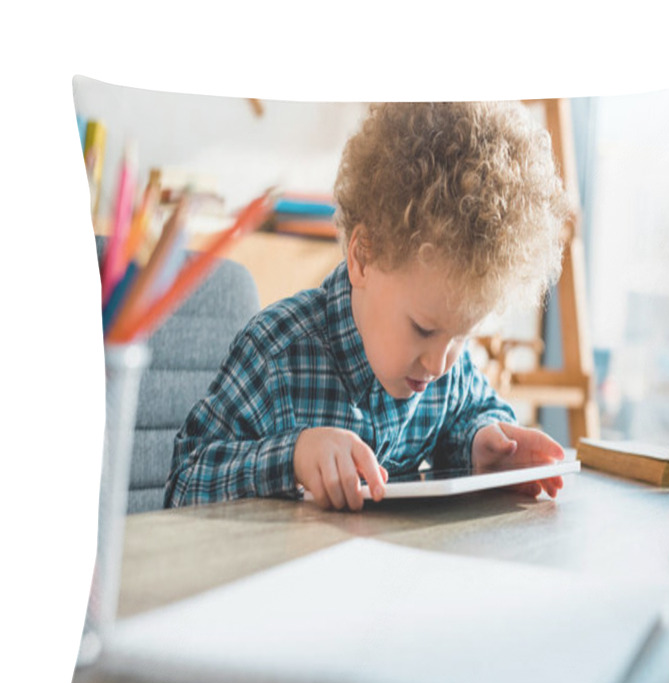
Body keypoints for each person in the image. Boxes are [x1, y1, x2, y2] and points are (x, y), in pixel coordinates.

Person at [165, 101, 570, 512]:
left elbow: (470, 413)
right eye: (424, 329)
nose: (439, 363)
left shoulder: (444, 368)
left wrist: (486, 442)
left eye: (462, 336)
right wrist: (292, 458)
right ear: (362, 258)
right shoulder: (275, 355)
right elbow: (183, 485)